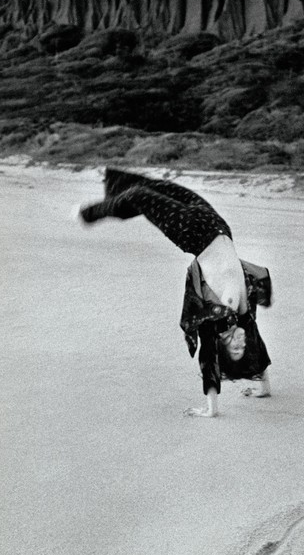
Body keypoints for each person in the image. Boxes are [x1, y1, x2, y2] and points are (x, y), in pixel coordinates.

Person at [78, 167, 272, 417]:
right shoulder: (243, 314)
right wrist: (265, 387)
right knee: (162, 187)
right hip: (219, 226)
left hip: (191, 232)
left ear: (225, 343)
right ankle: (114, 179)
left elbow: (208, 355)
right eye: (241, 347)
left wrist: (210, 410)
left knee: (139, 195)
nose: (241, 343)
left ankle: (87, 214)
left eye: (234, 349)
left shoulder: (220, 310)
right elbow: (258, 347)